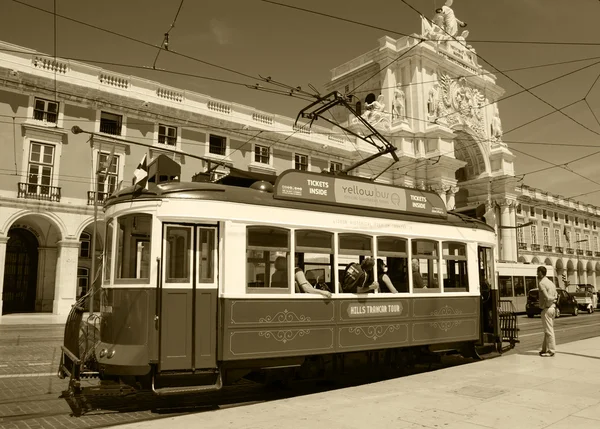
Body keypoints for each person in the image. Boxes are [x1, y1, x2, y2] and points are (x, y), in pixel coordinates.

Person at [537, 265, 557, 357]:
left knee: (549, 331)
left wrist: (550, 299)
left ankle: (551, 350)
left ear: (541, 273)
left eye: (538, 272)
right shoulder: (551, 283)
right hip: (553, 308)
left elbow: (547, 297)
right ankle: (544, 349)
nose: (537, 274)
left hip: (547, 309)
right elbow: (556, 296)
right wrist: (554, 299)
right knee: (547, 330)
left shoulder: (541, 283)